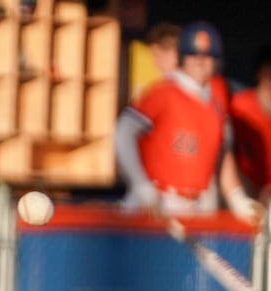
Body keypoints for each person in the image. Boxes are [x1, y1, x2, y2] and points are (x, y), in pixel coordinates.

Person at [115, 20, 262, 222]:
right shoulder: (164, 92)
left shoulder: (217, 102)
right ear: (182, 57)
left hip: (198, 205)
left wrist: (237, 199)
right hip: (157, 203)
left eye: (208, 56)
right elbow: (123, 132)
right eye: (193, 55)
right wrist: (141, 185)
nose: (200, 61)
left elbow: (223, 155)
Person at [230, 46, 271, 203]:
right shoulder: (239, 106)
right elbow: (224, 154)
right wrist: (245, 189)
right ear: (259, 74)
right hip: (244, 197)